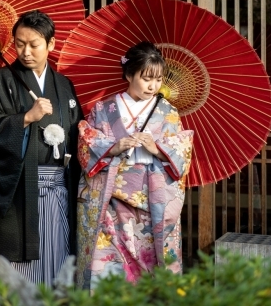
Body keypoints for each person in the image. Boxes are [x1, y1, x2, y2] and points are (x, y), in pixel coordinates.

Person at [75, 41, 193, 291]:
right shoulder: (104, 108)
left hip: (152, 203)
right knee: (107, 262)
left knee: (150, 266)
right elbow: (86, 141)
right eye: (146, 78)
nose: (153, 86)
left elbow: (183, 149)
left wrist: (157, 148)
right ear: (129, 74)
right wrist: (115, 146)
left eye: (158, 79)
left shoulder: (167, 111)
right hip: (111, 202)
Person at [0, 10, 83, 285]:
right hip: (20, 188)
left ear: (51, 44)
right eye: (19, 43)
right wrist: (24, 118)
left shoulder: (63, 85)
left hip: (59, 187)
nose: (25, 52)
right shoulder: (0, 81)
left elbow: (78, 133)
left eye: (34, 44)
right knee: (17, 264)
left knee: (58, 254)